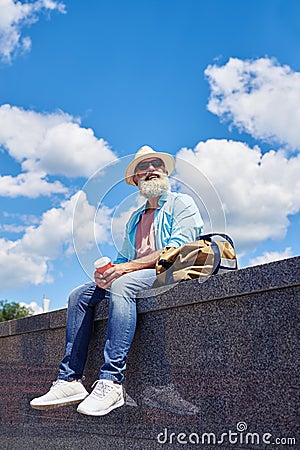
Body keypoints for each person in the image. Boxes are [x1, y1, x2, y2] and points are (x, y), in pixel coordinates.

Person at [30, 145, 203, 416]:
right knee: (80, 295)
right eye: (143, 168)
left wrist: (124, 271)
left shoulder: (182, 204)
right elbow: (124, 258)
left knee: (123, 284)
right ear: (135, 180)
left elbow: (177, 250)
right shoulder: (135, 218)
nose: (151, 170)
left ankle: (111, 382)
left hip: (173, 273)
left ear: (166, 172)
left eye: (156, 165)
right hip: (138, 275)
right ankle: (69, 380)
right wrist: (108, 272)